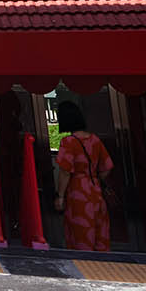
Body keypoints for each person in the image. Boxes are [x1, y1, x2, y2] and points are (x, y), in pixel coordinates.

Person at [53, 99, 115, 251]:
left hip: (78, 193)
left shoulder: (68, 142)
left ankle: (85, 264)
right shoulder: (95, 140)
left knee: (81, 237)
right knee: (100, 235)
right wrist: (94, 178)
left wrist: (60, 196)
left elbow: (65, 171)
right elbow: (107, 167)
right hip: (96, 191)